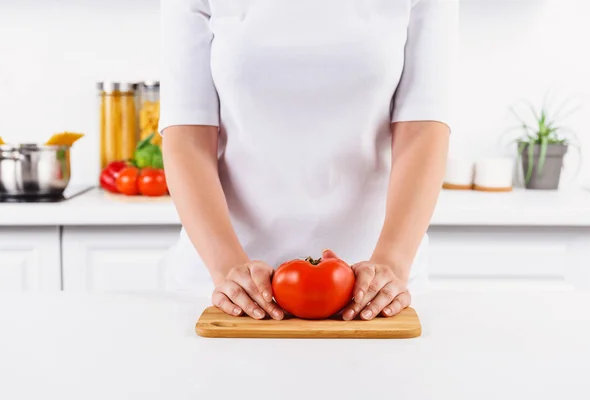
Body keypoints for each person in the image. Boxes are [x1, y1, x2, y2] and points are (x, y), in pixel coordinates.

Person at [159, 0, 458, 321]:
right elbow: (186, 136)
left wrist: (391, 264)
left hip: (376, 292)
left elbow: (424, 127)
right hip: (224, 287)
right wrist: (228, 269)